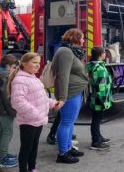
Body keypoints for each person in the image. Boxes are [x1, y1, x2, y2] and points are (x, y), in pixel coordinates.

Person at [9, 52, 60, 172]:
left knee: (34, 146)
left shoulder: (33, 78)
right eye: (34, 62)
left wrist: (53, 103)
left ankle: (32, 168)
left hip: (38, 120)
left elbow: (40, 98)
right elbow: (17, 102)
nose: (38, 65)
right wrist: (35, 113)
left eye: (38, 63)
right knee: (26, 148)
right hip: (29, 121)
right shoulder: (20, 80)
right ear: (24, 64)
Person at [51, 28, 88, 164]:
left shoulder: (70, 51)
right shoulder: (66, 52)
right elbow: (64, 76)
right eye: (82, 37)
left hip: (75, 91)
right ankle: (62, 153)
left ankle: (68, 147)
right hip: (70, 93)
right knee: (66, 122)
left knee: (70, 122)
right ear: (75, 38)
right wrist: (62, 97)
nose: (84, 40)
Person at [86, 47, 113, 150]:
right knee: (97, 119)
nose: (105, 54)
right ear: (100, 54)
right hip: (99, 99)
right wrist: (104, 102)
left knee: (97, 119)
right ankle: (96, 142)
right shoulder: (99, 68)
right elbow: (100, 87)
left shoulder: (95, 66)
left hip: (96, 98)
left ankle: (98, 137)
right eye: (104, 52)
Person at [0, 54, 18, 168]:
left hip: (0, 110)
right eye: (14, 67)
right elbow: (6, 97)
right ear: (8, 66)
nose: (15, 70)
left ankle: (2, 153)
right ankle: (2, 157)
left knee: (1, 132)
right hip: (4, 111)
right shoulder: (5, 77)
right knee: (7, 132)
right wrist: (13, 111)